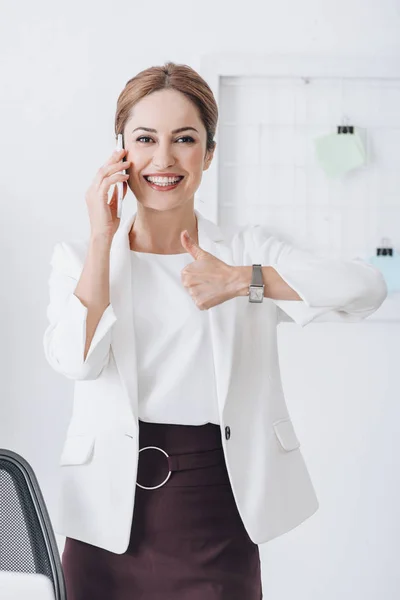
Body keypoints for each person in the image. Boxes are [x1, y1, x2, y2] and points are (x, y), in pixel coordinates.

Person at [43, 62, 387, 600]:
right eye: (145, 139)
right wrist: (100, 238)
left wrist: (242, 280)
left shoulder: (246, 253)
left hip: (213, 503)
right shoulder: (80, 258)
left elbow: (367, 289)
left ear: (208, 153)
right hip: (104, 514)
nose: (164, 159)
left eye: (185, 139)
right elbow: (75, 361)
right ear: (120, 152)